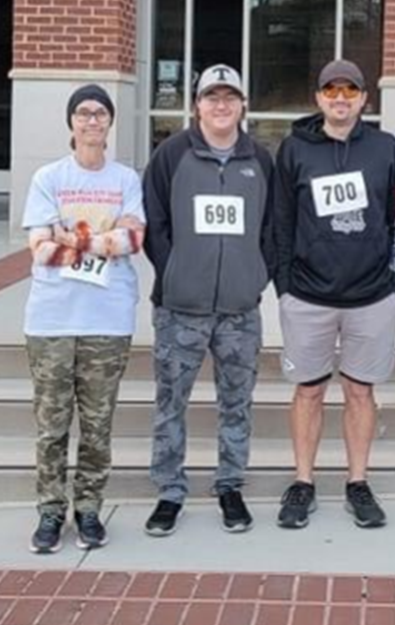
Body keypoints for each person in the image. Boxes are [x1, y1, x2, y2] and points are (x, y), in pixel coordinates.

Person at [271, 59, 395, 529]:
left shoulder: (386, 150)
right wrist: (285, 287)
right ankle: (303, 482)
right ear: (318, 98)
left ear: (363, 100)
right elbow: (280, 223)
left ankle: (357, 481)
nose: (339, 98)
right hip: (308, 296)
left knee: (359, 390)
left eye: (349, 91)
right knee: (308, 391)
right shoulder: (294, 150)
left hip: (373, 296)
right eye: (331, 90)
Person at [142, 64, 276, 536]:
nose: (221, 105)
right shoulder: (171, 155)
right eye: (211, 97)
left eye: (230, 97)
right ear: (196, 104)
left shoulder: (259, 159)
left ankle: (230, 485)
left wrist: (256, 275)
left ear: (243, 105)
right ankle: (169, 490)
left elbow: (272, 228)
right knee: (170, 402)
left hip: (240, 310)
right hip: (181, 308)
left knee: (236, 402)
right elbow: (153, 223)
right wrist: (175, 270)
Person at [23, 84, 146, 553]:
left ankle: (90, 509)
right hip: (52, 321)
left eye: (100, 113)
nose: (92, 121)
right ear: (71, 122)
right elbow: (40, 249)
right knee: (51, 425)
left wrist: (72, 239)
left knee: (97, 425)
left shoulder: (125, 179)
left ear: (110, 122)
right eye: (83, 113)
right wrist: (103, 238)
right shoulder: (48, 178)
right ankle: (50, 512)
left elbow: (134, 240)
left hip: (108, 319)